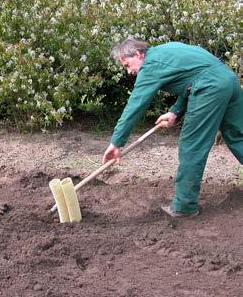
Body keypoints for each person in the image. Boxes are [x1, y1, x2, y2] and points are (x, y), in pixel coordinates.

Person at [102, 38, 243, 218]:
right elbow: (195, 76)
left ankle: (184, 206)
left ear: (138, 54)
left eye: (127, 65)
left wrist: (116, 142)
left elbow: (136, 104)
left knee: (192, 145)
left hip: (210, 87)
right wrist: (175, 111)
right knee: (238, 136)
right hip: (228, 80)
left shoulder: (151, 65)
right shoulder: (168, 50)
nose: (129, 71)